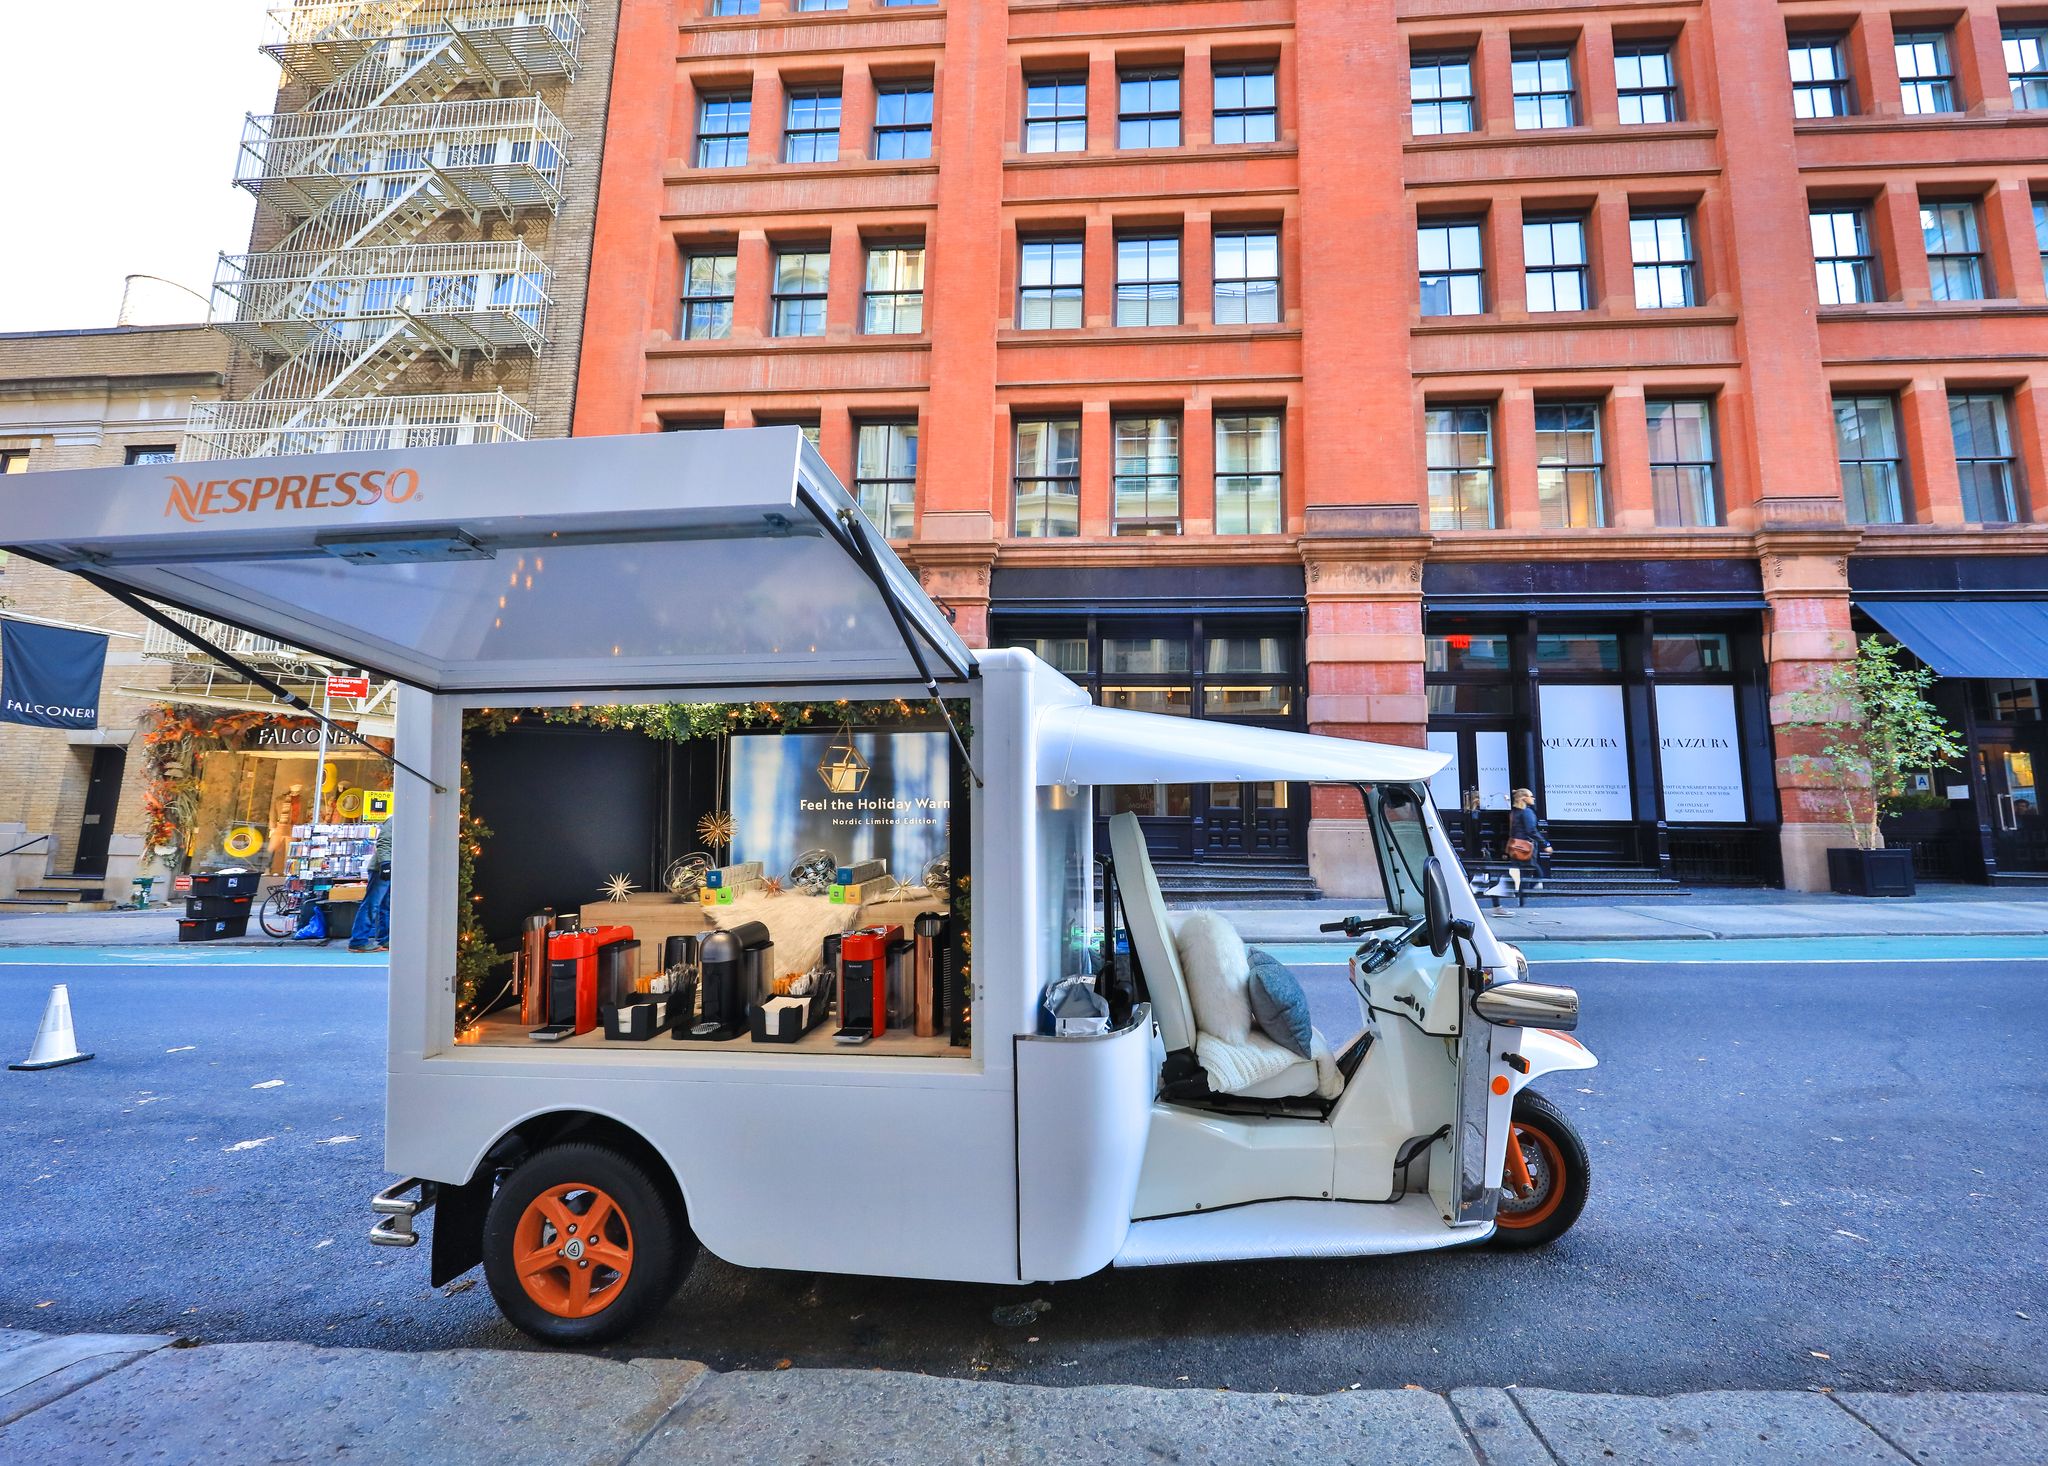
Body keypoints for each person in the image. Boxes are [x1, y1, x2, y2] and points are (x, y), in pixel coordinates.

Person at [349, 813, 393, 953]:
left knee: (385, 905)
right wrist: (385, 864)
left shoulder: (401, 820)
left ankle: (384, 939)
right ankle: (358, 941)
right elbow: (384, 841)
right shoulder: (395, 820)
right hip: (381, 868)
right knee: (372, 904)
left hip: (388, 868)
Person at [1509, 788, 1551, 892]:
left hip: (1516, 846)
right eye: (1531, 796)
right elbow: (1531, 830)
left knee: (1527, 872)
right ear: (1524, 798)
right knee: (1533, 873)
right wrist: (1545, 844)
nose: (1534, 798)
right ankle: (1524, 896)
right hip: (1526, 847)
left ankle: (1523, 895)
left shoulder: (1515, 812)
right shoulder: (1527, 812)